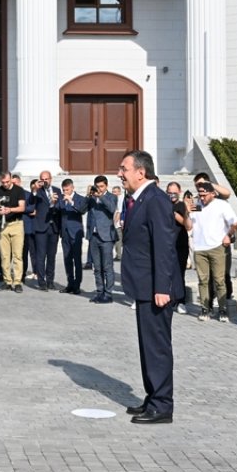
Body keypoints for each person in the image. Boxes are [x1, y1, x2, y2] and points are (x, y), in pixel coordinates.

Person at [117, 150, 178, 425]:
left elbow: (165, 246)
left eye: (124, 169)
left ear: (141, 172)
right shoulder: (137, 199)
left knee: (157, 347)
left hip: (157, 289)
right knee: (147, 346)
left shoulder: (156, 200)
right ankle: (153, 397)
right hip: (144, 286)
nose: (120, 173)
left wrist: (162, 287)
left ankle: (163, 405)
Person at [190, 182, 237, 321]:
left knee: (219, 280)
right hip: (199, 248)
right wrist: (187, 211)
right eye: (200, 195)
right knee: (203, 280)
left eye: (204, 195)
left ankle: (222, 310)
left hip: (217, 246)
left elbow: (235, 223)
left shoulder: (222, 205)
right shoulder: (197, 206)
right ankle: (205, 308)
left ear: (212, 193)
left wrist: (228, 235)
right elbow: (189, 225)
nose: (202, 198)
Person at [194, 171, 234, 300]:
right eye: (197, 185)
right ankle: (208, 303)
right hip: (204, 245)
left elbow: (228, 193)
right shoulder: (199, 200)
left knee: (223, 275)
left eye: (201, 184)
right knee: (207, 278)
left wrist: (209, 185)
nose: (199, 187)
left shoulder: (217, 197)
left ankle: (226, 302)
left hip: (221, 244)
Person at [0, 172, 27, 292]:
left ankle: (17, 282)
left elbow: (22, 207)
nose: (5, 184)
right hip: (2, 225)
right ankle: (7, 281)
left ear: (11, 179)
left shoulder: (19, 190)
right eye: (3, 182)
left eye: (7, 181)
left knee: (17, 255)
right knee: (5, 256)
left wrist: (10, 209)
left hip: (16, 224)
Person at [28, 170, 63, 290]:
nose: (44, 181)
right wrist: (34, 190)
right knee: (41, 256)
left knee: (51, 256)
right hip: (41, 227)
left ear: (51, 179)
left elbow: (61, 207)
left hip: (53, 228)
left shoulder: (58, 191)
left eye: (46, 179)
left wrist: (54, 203)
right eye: (42, 179)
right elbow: (31, 203)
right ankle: (41, 282)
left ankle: (50, 281)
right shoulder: (37, 192)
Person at [86, 175, 117, 303]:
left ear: (106, 186)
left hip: (106, 237)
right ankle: (100, 292)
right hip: (93, 236)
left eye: (102, 186)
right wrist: (88, 196)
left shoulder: (111, 197)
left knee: (107, 267)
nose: (99, 189)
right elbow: (82, 209)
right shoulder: (92, 198)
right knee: (97, 267)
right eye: (97, 186)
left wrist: (101, 197)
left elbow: (112, 209)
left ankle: (108, 294)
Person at [56, 178, 86, 294]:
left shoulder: (80, 199)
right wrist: (53, 202)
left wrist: (71, 201)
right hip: (65, 233)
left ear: (72, 188)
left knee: (77, 260)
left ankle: (77, 285)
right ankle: (70, 283)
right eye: (64, 190)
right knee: (67, 259)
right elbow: (56, 209)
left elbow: (82, 210)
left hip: (76, 233)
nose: (65, 192)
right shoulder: (61, 198)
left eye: (67, 190)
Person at [166, 182, 192, 314]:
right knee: (167, 274)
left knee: (179, 274)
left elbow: (187, 225)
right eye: (169, 192)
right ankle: (170, 299)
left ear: (179, 192)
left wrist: (175, 214)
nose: (172, 195)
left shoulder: (181, 206)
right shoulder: (163, 205)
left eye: (174, 192)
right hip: (166, 245)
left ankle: (181, 301)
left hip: (180, 244)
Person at [112, 185, 125, 261]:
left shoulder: (120, 198)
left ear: (119, 192)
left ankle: (119, 255)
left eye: (116, 191)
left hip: (118, 222)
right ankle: (118, 254)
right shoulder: (115, 199)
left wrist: (115, 221)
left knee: (118, 240)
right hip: (116, 221)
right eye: (113, 192)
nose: (114, 193)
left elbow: (119, 211)